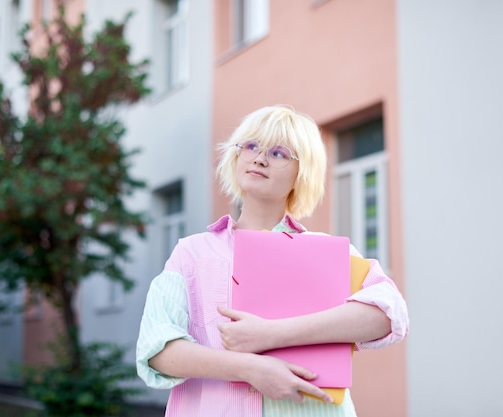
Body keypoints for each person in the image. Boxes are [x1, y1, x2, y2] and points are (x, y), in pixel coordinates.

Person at [136, 105, 410, 416]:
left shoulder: (328, 254)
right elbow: (158, 347)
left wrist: (272, 334)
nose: (260, 158)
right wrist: (249, 368)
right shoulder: (193, 253)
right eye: (251, 146)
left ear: (301, 173)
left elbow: (390, 314)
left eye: (279, 153)